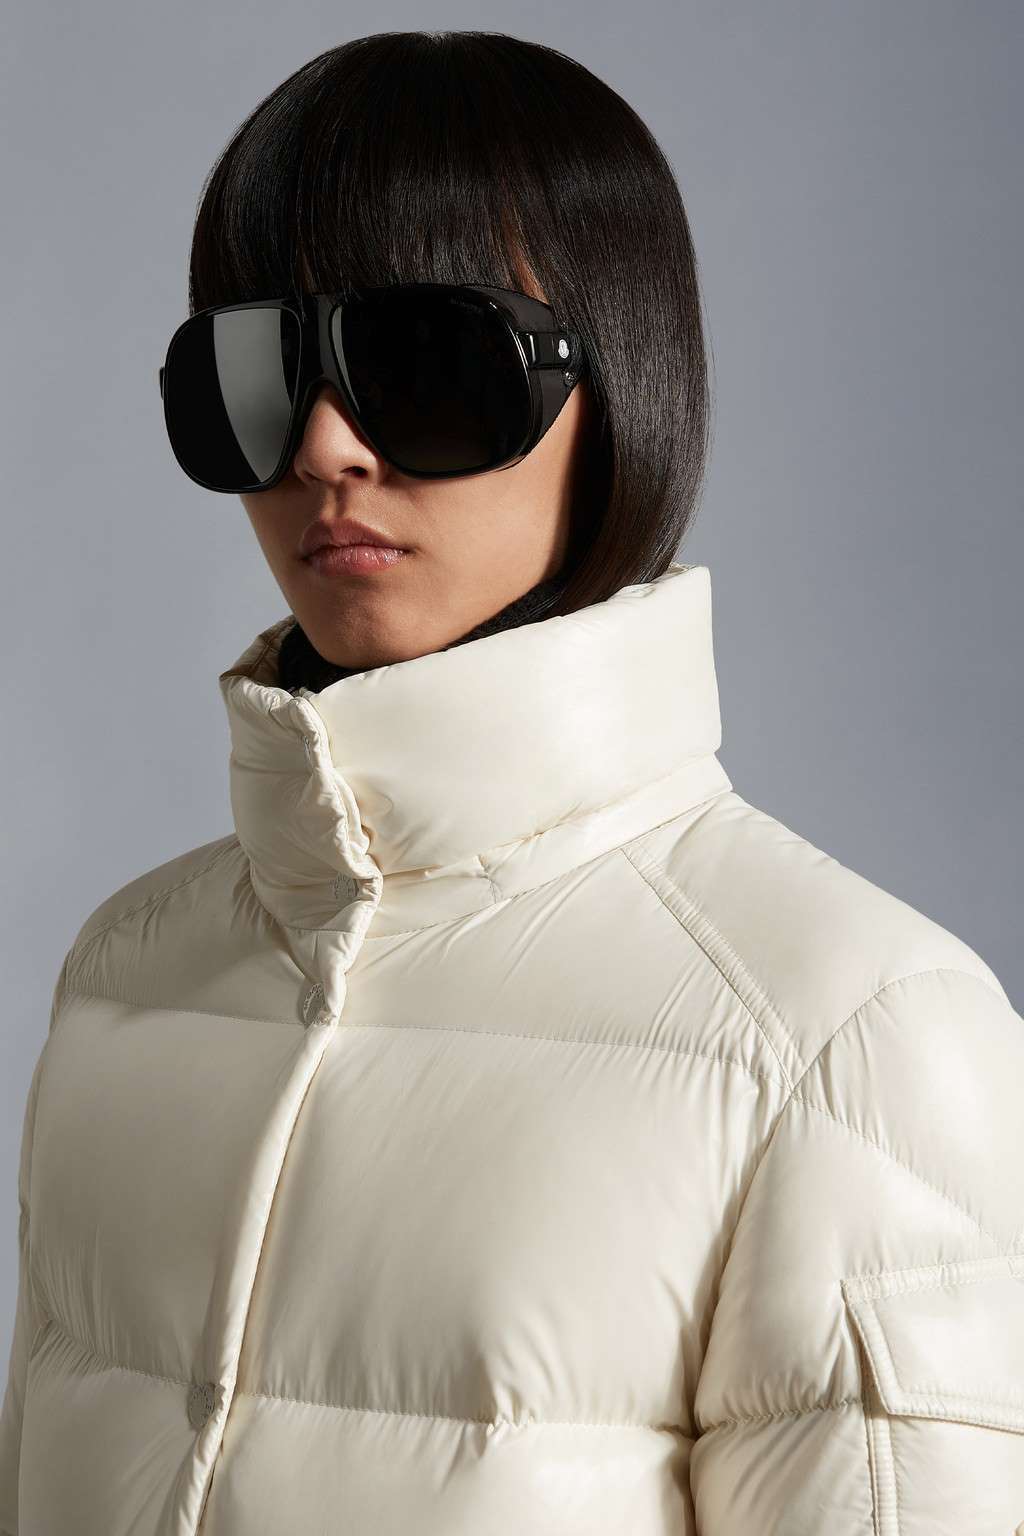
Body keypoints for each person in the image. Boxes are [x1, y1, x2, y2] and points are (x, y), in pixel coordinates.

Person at [2, 29, 1022, 1536]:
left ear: (622, 388)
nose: (327, 448)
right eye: (257, 373)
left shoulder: (846, 1038)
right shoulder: (126, 979)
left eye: (430, 367)